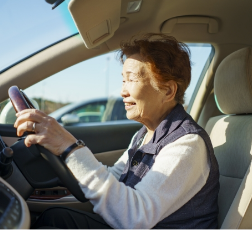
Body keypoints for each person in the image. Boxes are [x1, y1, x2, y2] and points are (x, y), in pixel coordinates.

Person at [14, 33, 220, 230]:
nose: (122, 91)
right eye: (123, 80)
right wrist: (67, 158)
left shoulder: (187, 144)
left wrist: (69, 147)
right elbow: (115, 177)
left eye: (131, 79)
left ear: (168, 91)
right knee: (55, 216)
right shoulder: (144, 134)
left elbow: (134, 217)